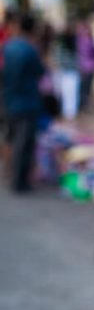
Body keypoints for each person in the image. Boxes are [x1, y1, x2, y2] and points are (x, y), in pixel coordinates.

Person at [1, 12, 45, 192]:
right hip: (26, 101)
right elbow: (40, 71)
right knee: (23, 142)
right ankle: (19, 181)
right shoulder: (29, 49)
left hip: (8, 99)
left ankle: (9, 174)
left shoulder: (7, 46)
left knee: (10, 138)